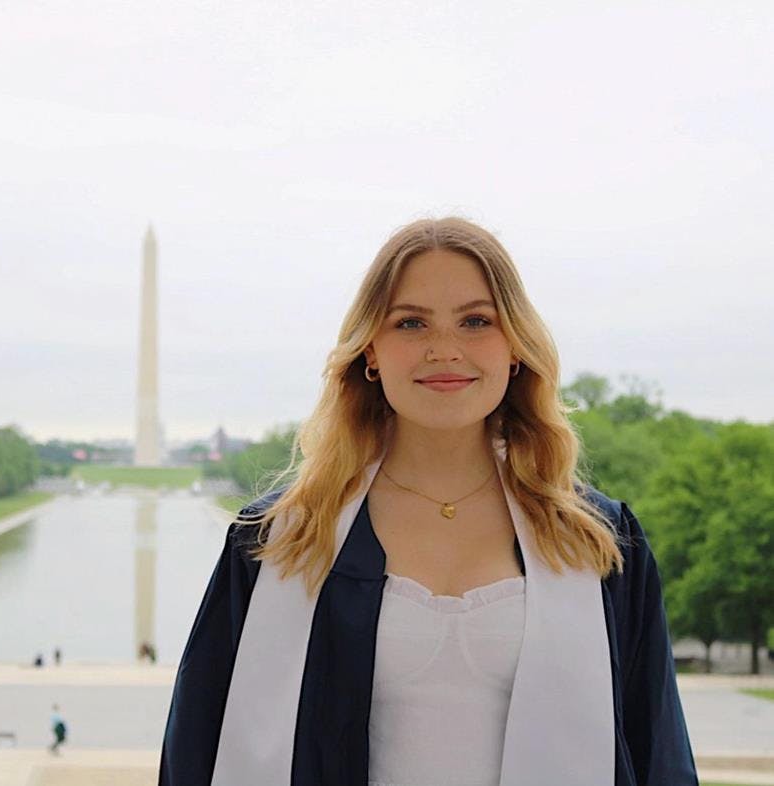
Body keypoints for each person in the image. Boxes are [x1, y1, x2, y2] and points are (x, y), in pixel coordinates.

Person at [157, 217, 698, 786]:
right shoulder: (279, 540)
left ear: (515, 347)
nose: (444, 349)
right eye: (411, 322)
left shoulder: (599, 543)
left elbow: (658, 751)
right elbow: (195, 754)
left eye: (476, 321)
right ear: (370, 350)